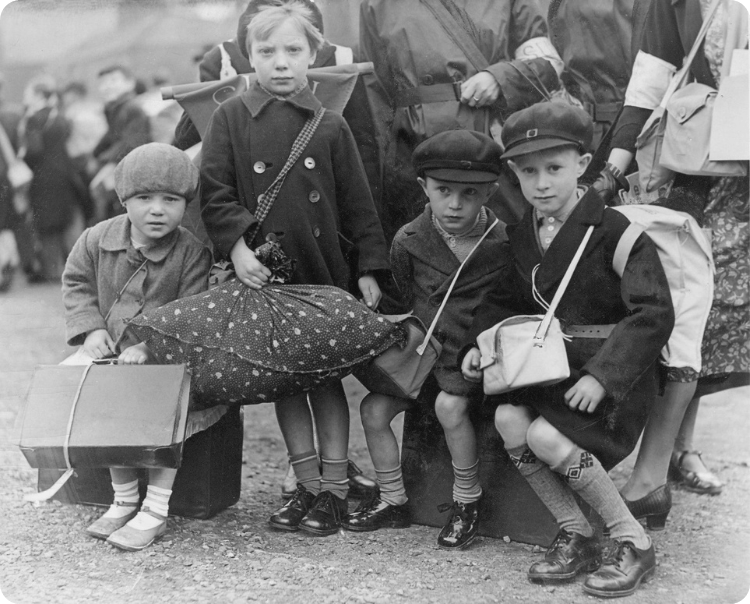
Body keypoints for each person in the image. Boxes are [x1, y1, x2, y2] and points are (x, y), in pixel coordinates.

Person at [461, 102, 674, 597]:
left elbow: (653, 313)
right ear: (513, 173)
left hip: (611, 376)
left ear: (583, 165)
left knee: (547, 438)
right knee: (509, 422)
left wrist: (603, 375)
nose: (541, 184)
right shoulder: (520, 237)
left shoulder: (617, 232)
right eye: (528, 171)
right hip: (549, 369)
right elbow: (498, 302)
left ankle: (633, 540)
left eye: (554, 168)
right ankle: (575, 532)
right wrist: (479, 344)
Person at [177, 0, 380, 502]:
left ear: (314, 54)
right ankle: (306, 484)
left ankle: (332, 488)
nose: (281, 62)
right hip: (267, 273)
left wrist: (371, 268)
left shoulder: (331, 124)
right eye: (266, 51)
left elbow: (360, 204)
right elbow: (215, 191)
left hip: (323, 271)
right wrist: (238, 247)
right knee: (286, 382)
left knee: (326, 380)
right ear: (248, 56)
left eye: (293, 49)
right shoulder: (230, 118)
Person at [599, 0, 748, 516]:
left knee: (727, 322)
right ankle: (653, 470)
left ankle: (679, 451)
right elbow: (652, 77)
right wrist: (616, 165)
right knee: (687, 312)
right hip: (700, 171)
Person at [343, 130, 511, 550]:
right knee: (373, 410)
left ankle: (467, 501)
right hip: (423, 360)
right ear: (424, 188)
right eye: (443, 191)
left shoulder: (505, 243)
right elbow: (402, 299)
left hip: (472, 362)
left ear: (490, 190)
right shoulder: (408, 240)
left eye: (470, 193)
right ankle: (393, 498)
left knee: (449, 405)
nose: (455, 204)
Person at [62, 143, 212, 551]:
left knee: (166, 413)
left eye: (171, 200)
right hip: (111, 354)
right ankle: (124, 498)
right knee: (101, 404)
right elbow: (76, 282)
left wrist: (150, 345)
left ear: (186, 204)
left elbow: (192, 309)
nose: (157, 210)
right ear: (124, 200)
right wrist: (91, 330)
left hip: (169, 359)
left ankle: (156, 508)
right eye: (144, 199)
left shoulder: (192, 252)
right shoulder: (97, 238)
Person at [359, 0, 565, 242]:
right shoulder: (377, 4)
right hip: (413, 150)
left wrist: (501, 78)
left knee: (503, 248)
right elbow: (374, 95)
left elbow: (547, 62)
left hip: (488, 143)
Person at [20, 76, 86, 282]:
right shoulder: (61, 117)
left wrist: (23, 155)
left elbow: (34, 150)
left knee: (46, 225)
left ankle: (53, 270)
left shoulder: (33, 119)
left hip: (43, 178)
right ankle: (76, 268)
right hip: (64, 175)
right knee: (66, 221)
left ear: (38, 95)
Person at [91, 65, 151, 225]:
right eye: (103, 83)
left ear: (130, 83)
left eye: (114, 80)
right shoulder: (115, 109)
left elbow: (131, 144)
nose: (108, 86)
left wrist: (105, 163)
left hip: (132, 175)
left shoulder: (132, 109)